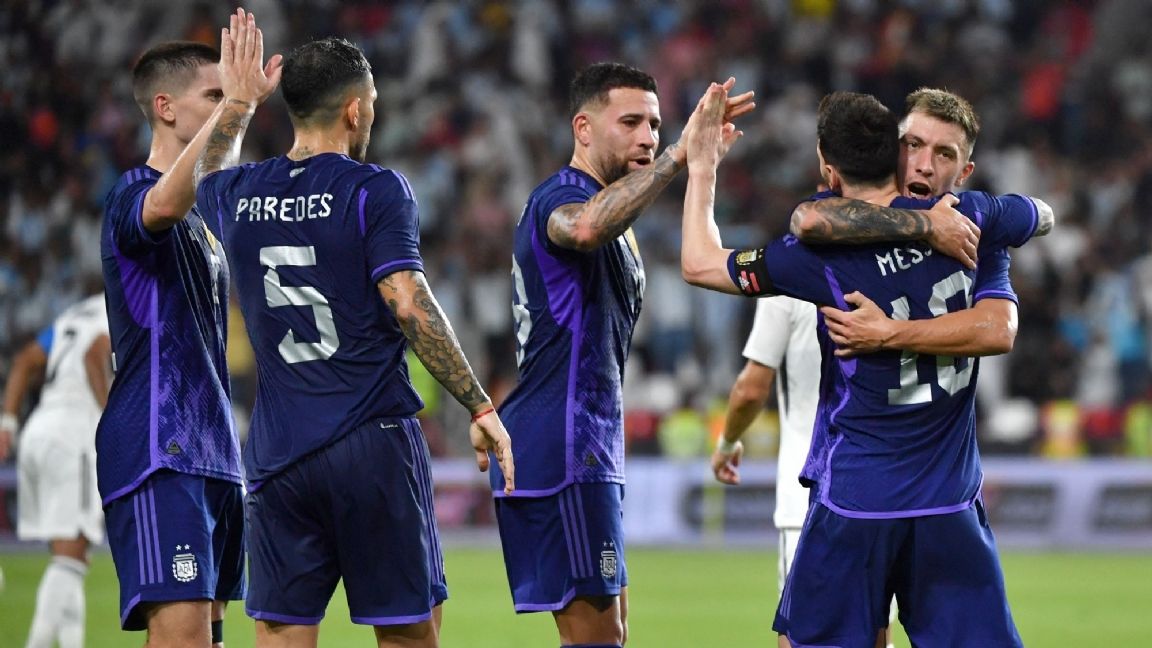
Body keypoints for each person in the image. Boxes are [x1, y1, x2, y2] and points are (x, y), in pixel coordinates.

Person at [683, 87, 1052, 647]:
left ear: (828, 167)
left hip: (857, 497)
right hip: (948, 502)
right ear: (892, 150)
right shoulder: (978, 221)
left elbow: (700, 263)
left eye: (943, 154)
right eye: (914, 146)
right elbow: (1039, 217)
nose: (924, 164)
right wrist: (951, 220)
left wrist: (702, 165)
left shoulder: (818, 253)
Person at [191, 35, 515, 648]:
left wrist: (238, 103)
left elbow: (205, 173)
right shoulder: (374, 190)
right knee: (408, 633)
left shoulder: (238, 195)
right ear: (355, 109)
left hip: (279, 451)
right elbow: (408, 303)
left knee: (280, 634)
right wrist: (480, 406)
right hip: (372, 442)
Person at [488, 63, 753, 648]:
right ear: (583, 129)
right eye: (630, 122)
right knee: (598, 639)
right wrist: (678, 156)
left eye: (655, 125)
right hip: (560, 443)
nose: (648, 137)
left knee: (612, 635)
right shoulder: (561, 197)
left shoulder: (616, 217)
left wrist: (701, 166)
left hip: (587, 440)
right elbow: (584, 229)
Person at [98, 10, 280, 647]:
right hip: (159, 445)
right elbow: (166, 203)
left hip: (213, 448)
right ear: (165, 107)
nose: (225, 103)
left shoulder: (205, 226)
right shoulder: (132, 192)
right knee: (183, 639)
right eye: (213, 94)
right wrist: (240, 105)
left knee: (212, 638)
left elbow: (208, 184)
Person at [0, 291, 109, 648]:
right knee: (70, 559)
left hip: (39, 429)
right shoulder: (120, 307)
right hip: (73, 434)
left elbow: (25, 360)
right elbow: (95, 354)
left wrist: (7, 423)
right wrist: (111, 420)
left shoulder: (75, 315)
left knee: (69, 558)